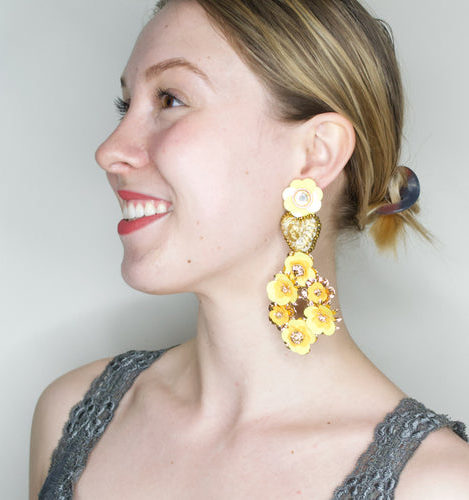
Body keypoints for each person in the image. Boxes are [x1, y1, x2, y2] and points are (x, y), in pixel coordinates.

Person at [30, 0, 469, 498]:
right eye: (124, 105)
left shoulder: (439, 486)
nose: (109, 150)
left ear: (315, 154)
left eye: (171, 99)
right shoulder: (69, 416)